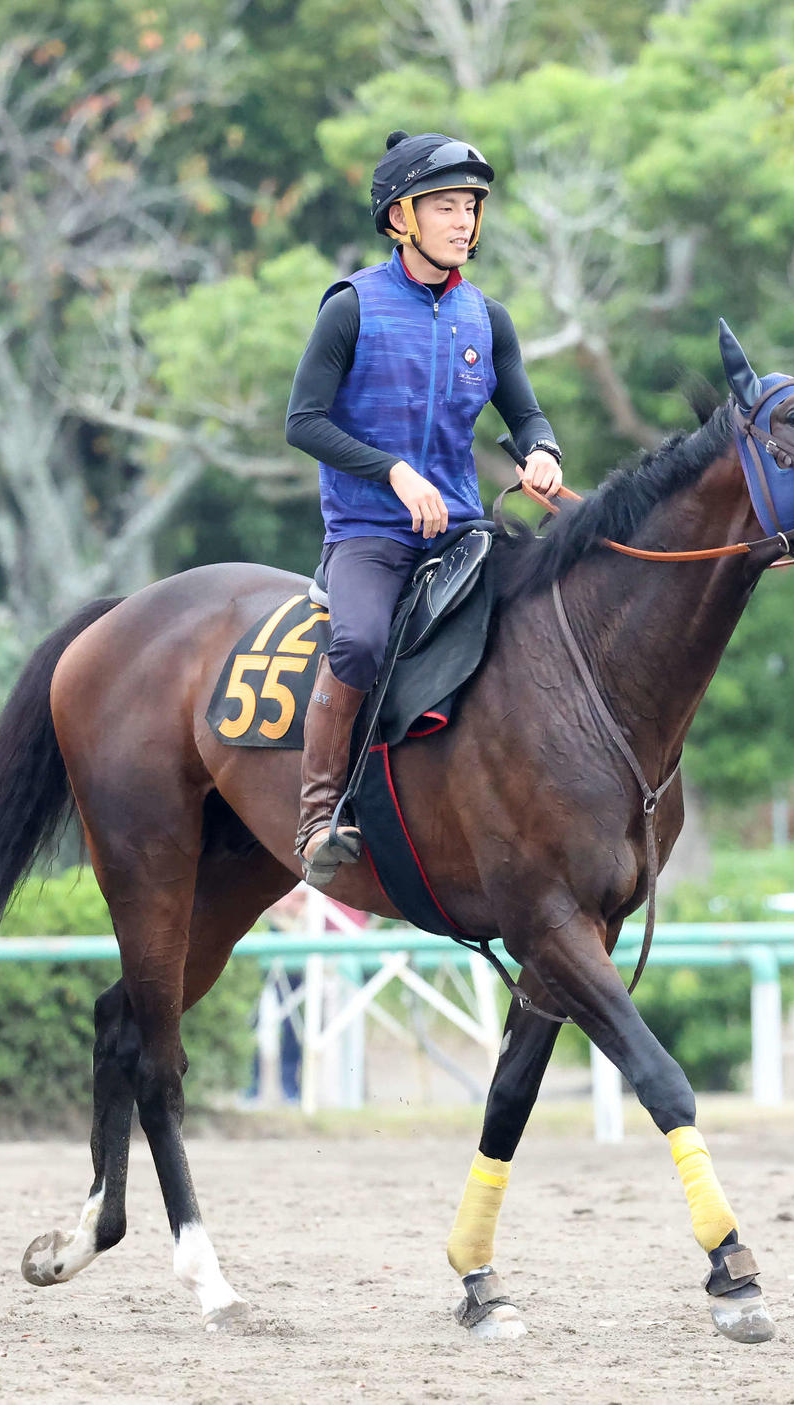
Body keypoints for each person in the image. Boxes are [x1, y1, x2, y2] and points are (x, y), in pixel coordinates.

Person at [285, 129, 564, 888]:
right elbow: (302, 422)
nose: (465, 221)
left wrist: (543, 452)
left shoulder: (488, 318)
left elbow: (527, 416)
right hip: (370, 533)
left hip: (465, 531)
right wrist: (394, 472)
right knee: (363, 644)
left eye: (471, 206)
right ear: (401, 217)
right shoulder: (350, 307)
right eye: (446, 206)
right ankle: (316, 818)